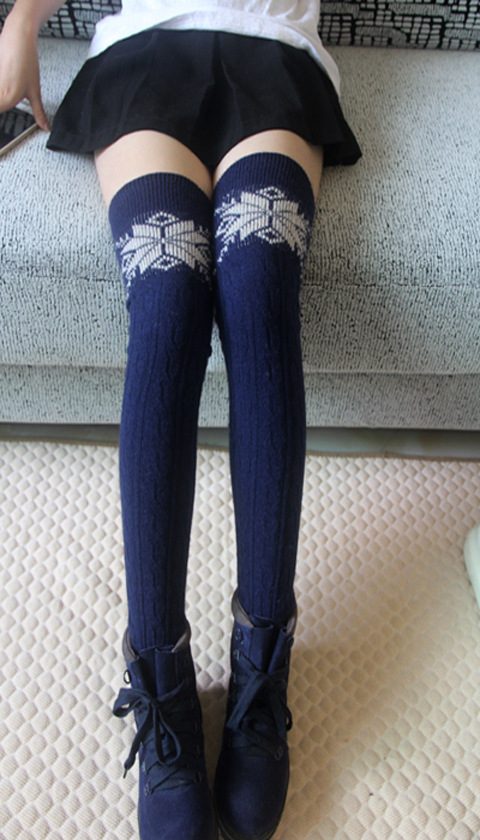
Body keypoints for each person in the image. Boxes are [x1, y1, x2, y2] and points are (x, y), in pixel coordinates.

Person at [0, 2, 361, 838]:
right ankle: (160, 677)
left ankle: (262, 658)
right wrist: (20, 23)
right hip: (147, 54)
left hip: (273, 54)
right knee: (166, 302)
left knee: (259, 288)